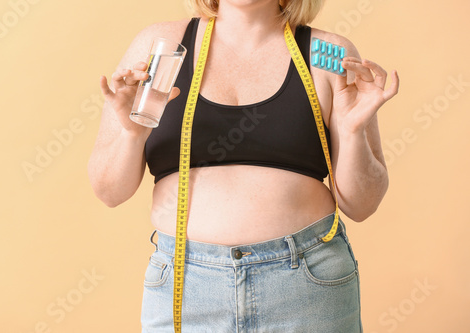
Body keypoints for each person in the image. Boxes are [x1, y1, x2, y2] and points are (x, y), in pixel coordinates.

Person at [88, 0, 399, 331]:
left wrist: (353, 133)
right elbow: (109, 192)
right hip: (186, 282)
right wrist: (131, 134)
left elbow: (362, 204)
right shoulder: (161, 46)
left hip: (307, 283)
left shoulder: (330, 54)